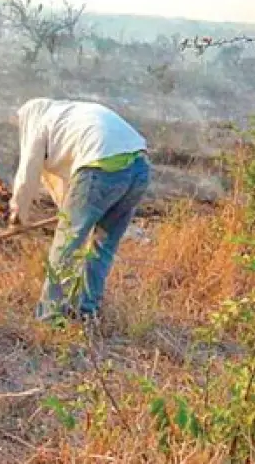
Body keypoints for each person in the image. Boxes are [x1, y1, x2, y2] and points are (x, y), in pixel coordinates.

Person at [8, 98, 150, 323]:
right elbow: (70, 186)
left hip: (100, 170)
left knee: (66, 245)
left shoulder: (40, 124)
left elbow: (27, 175)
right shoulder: (74, 115)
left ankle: (50, 317)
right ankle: (87, 312)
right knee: (103, 246)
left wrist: (17, 216)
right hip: (140, 169)